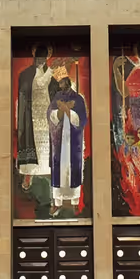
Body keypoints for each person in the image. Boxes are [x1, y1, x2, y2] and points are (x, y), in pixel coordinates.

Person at [17, 45, 58, 191]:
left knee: (47, 144)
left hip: (48, 113)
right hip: (32, 115)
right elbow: (24, 93)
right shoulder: (26, 74)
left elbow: (57, 91)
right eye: (38, 57)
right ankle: (29, 174)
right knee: (32, 141)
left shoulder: (54, 75)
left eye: (43, 56)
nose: (41, 60)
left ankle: (53, 177)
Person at [47, 71, 87, 213]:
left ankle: (75, 201)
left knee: (74, 169)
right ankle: (57, 202)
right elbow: (51, 116)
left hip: (73, 139)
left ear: (67, 83)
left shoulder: (78, 99)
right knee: (59, 169)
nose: (60, 85)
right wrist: (61, 110)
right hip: (59, 140)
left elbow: (82, 119)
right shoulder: (56, 98)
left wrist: (69, 111)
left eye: (61, 83)